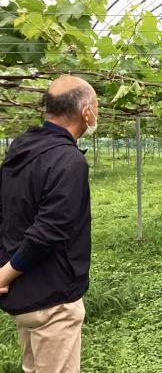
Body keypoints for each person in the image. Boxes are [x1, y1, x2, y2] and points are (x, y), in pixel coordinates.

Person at [0, 75, 98, 373]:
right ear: (86, 112)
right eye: (97, 106)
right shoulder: (68, 160)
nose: (98, 113)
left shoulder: (22, 148)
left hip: (25, 296)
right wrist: (4, 274)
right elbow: (49, 230)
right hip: (51, 300)